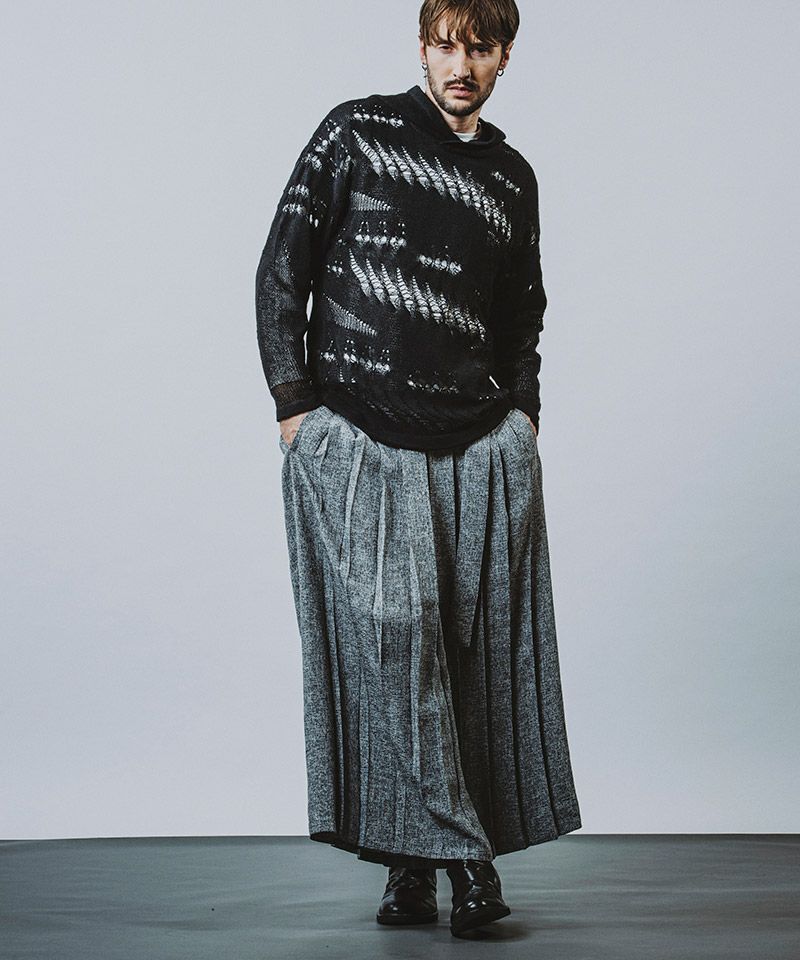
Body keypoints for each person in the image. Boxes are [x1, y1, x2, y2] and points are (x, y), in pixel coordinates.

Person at [255, 0, 581, 938]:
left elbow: (523, 312)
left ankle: (408, 868)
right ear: (423, 48)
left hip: (478, 444)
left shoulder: (510, 177)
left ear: (505, 56)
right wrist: (295, 407)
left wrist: (523, 418)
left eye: (480, 47)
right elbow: (282, 270)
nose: (460, 64)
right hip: (360, 437)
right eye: (446, 45)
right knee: (395, 640)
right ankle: (467, 862)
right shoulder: (355, 134)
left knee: (466, 657)